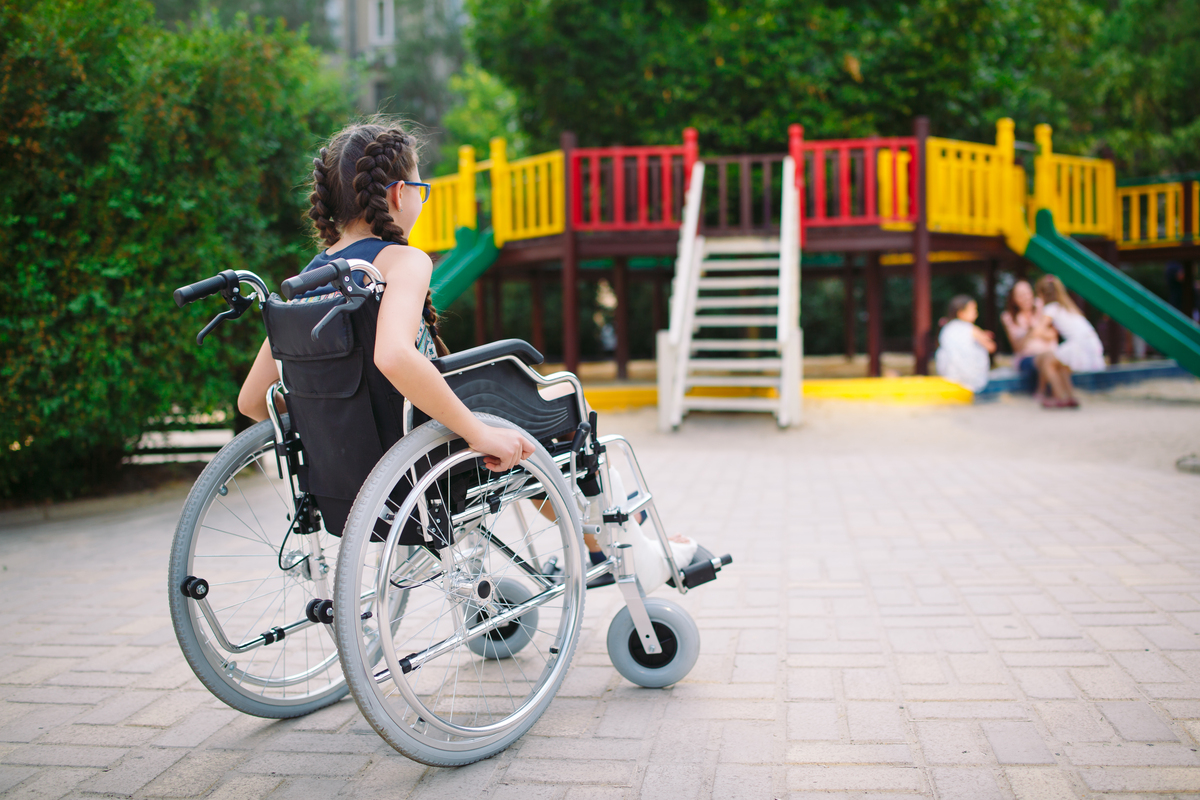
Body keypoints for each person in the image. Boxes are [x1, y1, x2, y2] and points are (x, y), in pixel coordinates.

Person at [237, 121, 534, 474]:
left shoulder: (305, 283)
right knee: (547, 430)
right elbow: (393, 357)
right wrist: (480, 434)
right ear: (398, 194)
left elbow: (252, 400)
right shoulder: (403, 261)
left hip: (349, 471)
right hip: (426, 459)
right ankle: (587, 526)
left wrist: (326, 427)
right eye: (420, 190)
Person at [1000, 279, 1076, 407]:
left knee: (1055, 358)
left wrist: (1031, 333)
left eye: (1027, 293)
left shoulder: (1042, 307)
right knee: (1048, 358)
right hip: (1027, 358)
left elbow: (1053, 335)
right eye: (1020, 295)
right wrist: (1037, 332)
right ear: (1013, 299)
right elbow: (1018, 347)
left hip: (1049, 353)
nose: (1025, 298)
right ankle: (1060, 397)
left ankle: (1067, 396)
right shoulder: (1008, 317)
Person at [1036, 275, 1106, 382]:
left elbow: (1038, 331)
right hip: (1092, 343)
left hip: (1078, 346)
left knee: (1046, 362)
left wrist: (1050, 334)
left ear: (1042, 294)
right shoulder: (1069, 307)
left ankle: (1061, 395)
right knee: (1061, 366)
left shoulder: (1051, 308)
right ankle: (1067, 396)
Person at [934, 295, 995, 392]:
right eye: (973, 310)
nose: (976, 313)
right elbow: (991, 347)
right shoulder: (970, 328)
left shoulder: (947, 327)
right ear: (961, 313)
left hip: (948, 374)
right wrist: (984, 338)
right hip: (969, 376)